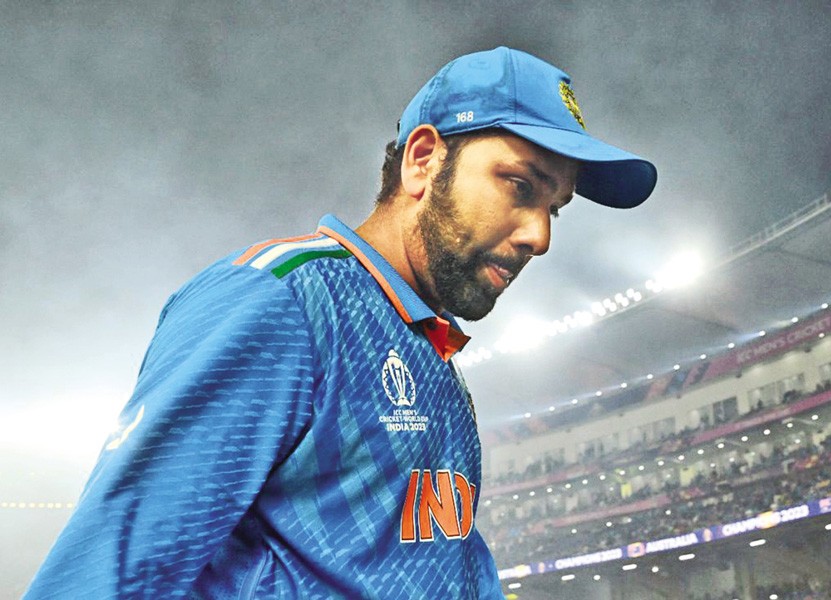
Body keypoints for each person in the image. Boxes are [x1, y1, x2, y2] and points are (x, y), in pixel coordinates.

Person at [25, 46, 656, 598]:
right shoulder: (282, 301)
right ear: (423, 160)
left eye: (555, 209)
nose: (540, 236)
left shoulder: (436, 358)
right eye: (520, 186)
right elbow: (105, 575)